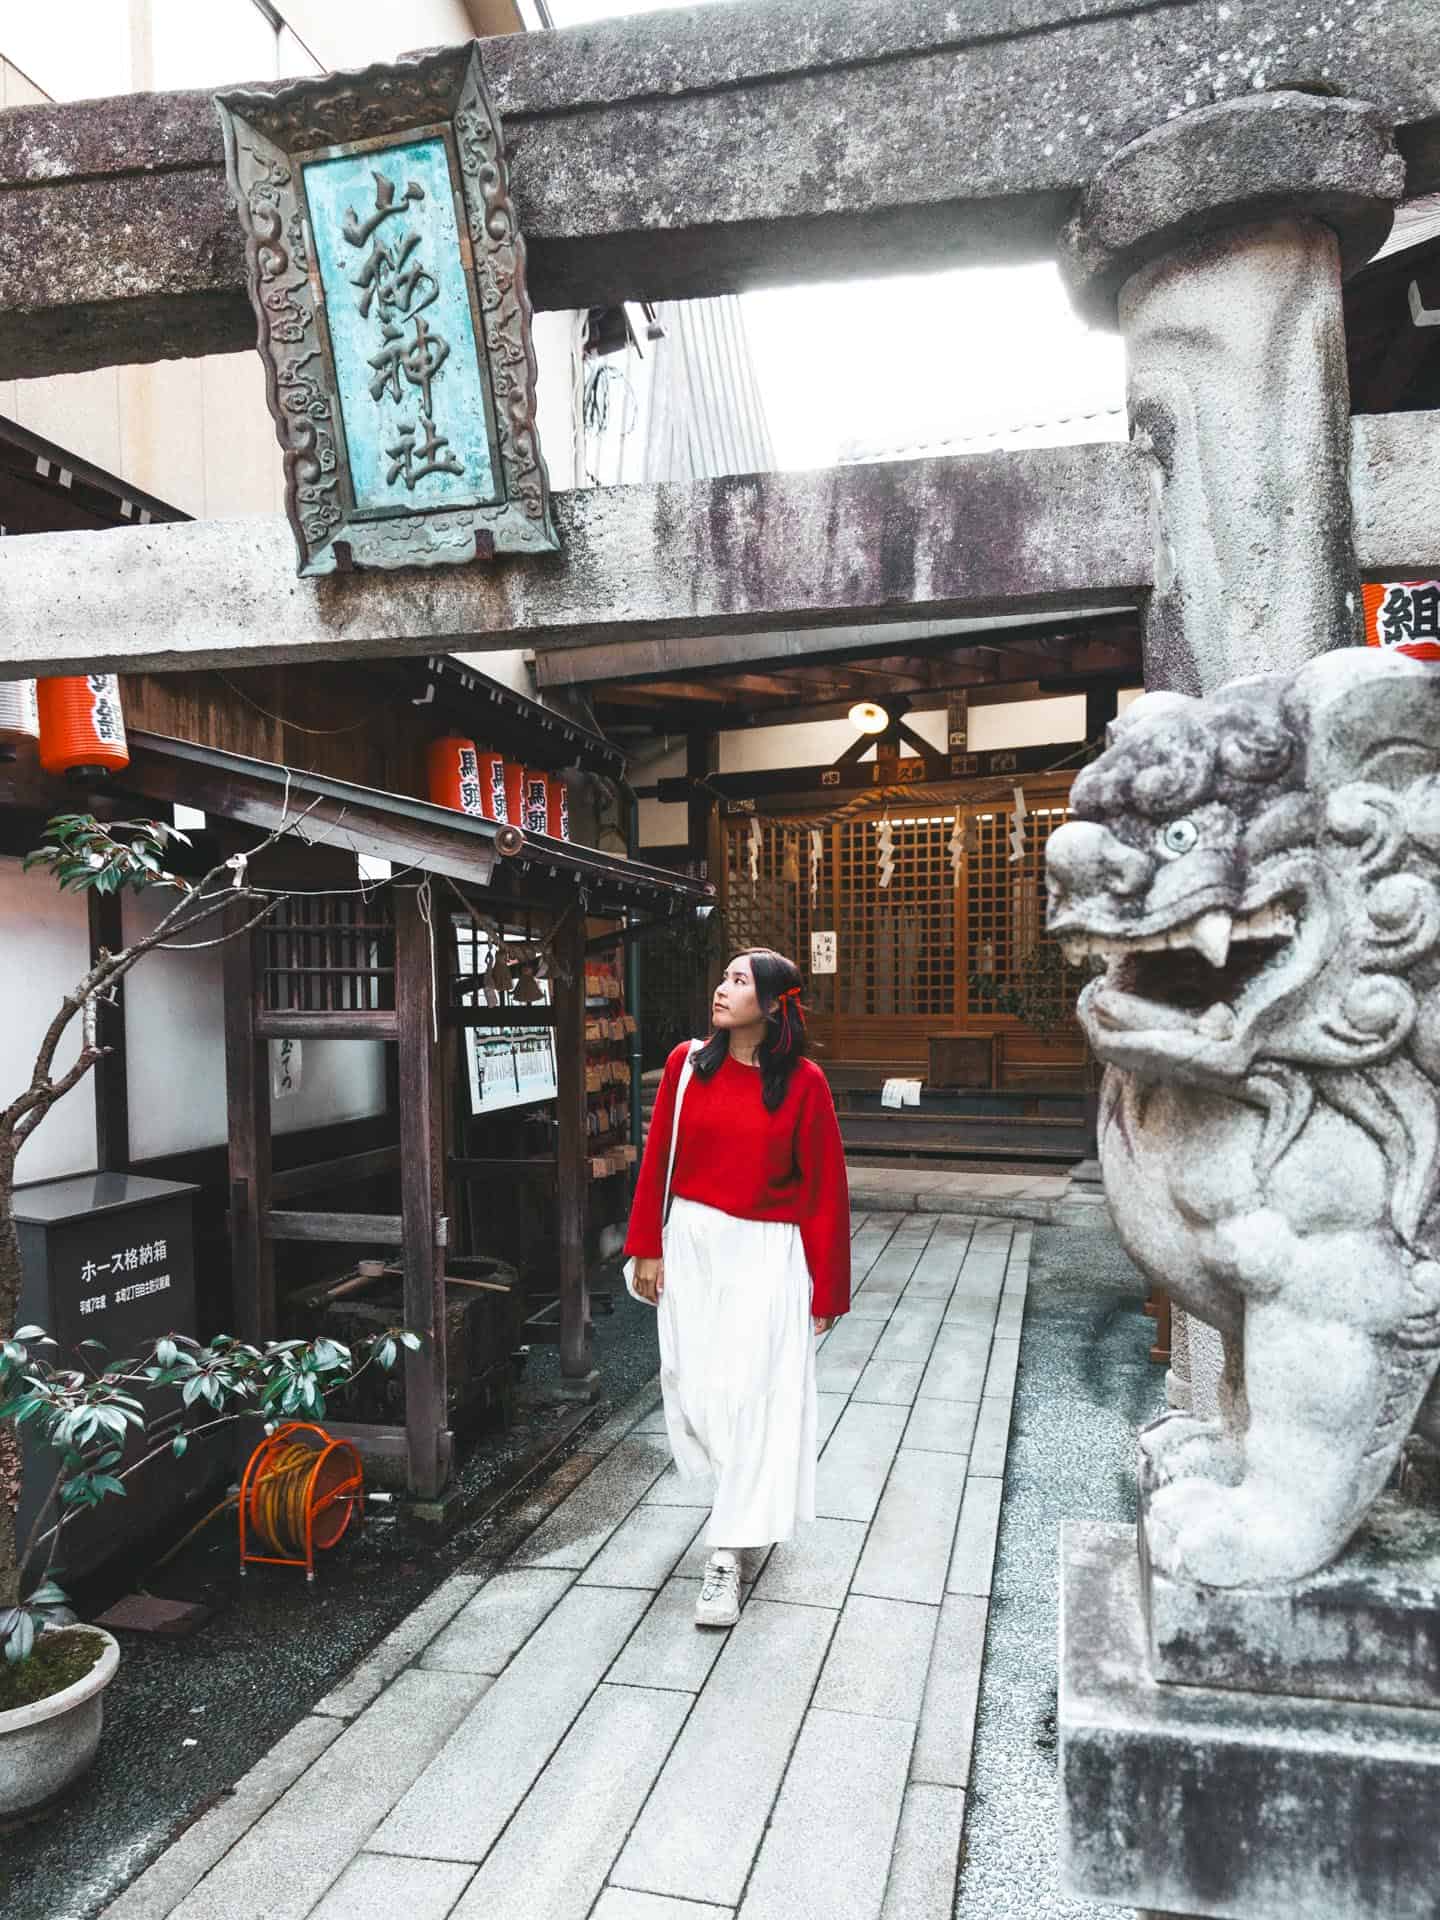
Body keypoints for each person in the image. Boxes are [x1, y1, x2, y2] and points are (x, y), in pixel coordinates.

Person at [623, 947, 850, 1628]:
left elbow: (825, 1190)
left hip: (764, 1255)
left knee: (753, 1399)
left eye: (738, 981)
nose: (721, 989)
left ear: (772, 1004)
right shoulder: (685, 1066)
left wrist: (827, 1290)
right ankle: (742, 1501)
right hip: (691, 1245)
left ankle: (725, 1554)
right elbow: (658, 1153)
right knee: (697, 1392)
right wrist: (646, 1247)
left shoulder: (804, 1083)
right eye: (722, 976)